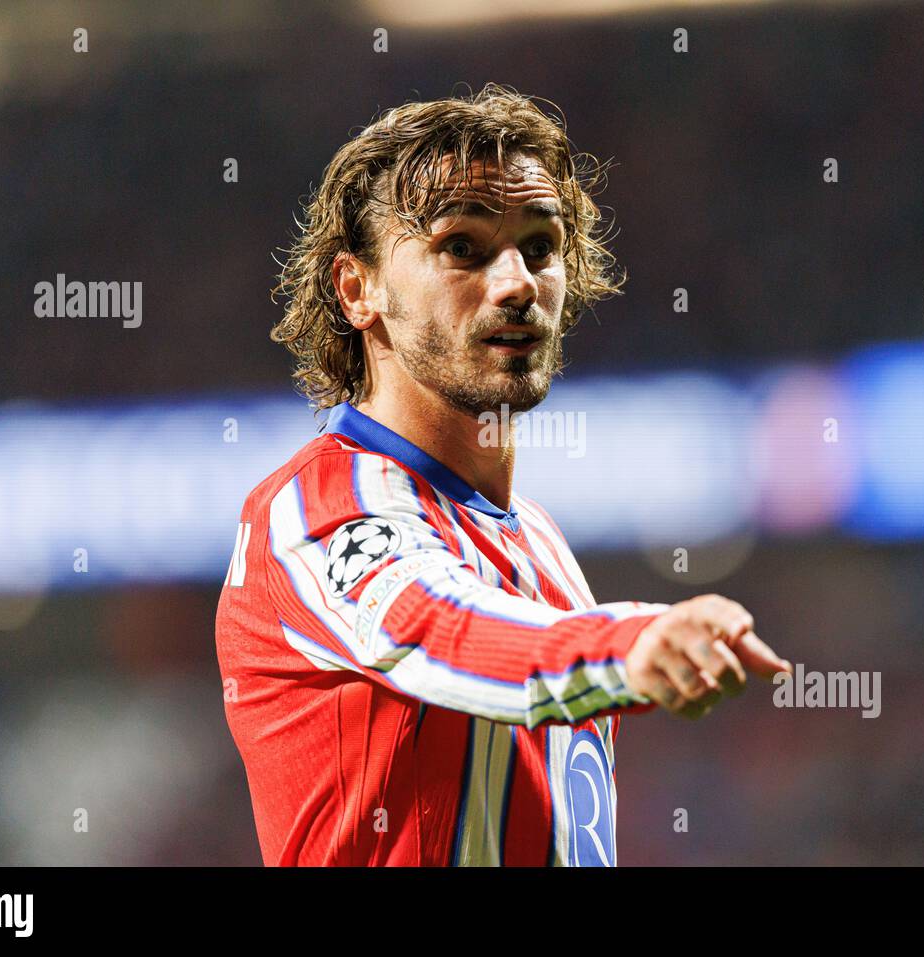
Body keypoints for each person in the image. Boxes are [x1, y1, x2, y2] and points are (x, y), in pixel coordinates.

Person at [216, 83, 791, 866]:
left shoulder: (544, 545)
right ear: (360, 290)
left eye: (541, 245)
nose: (518, 282)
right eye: (463, 248)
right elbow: (437, 628)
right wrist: (632, 642)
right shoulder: (317, 508)